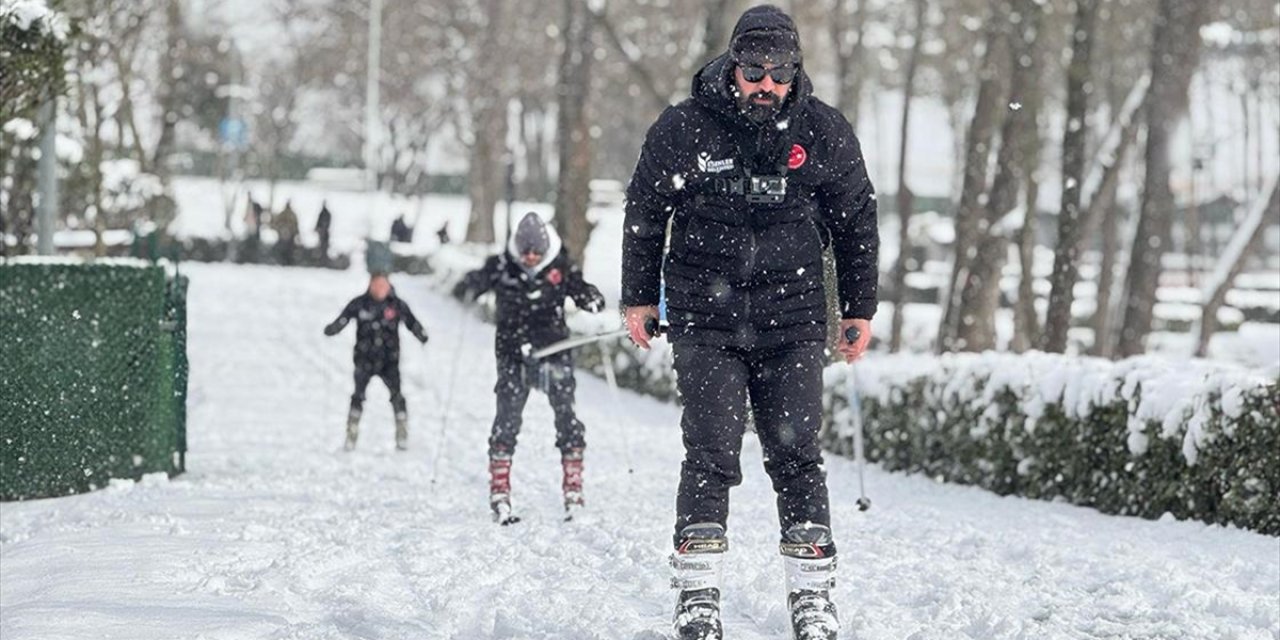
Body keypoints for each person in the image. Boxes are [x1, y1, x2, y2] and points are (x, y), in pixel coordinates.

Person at [620, 5, 878, 639]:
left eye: (779, 72)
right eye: (754, 70)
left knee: (796, 454)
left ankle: (814, 598)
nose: (766, 84)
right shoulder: (685, 128)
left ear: (794, 72)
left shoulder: (823, 133)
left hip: (791, 323)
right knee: (711, 450)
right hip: (706, 322)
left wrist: (859, 308)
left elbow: (856, 222)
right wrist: (638, 298)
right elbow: (646, 210)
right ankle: (697, 594)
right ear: (733, 66)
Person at [452, 212, 605, 523]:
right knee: (506, 419)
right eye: (526, 252)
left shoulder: (560, 267)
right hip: (512, 355)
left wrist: (591, 299)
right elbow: (471, 284)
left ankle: (573, 489)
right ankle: (499, 490)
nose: (531, 258)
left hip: (553, 351)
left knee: (567, 417)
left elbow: (582, 289)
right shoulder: (502, 266)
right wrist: (468, 287)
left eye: (536, 252)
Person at [324, 273, 429, 451]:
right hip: (364, 359)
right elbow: (344, 318)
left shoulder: (396, 305)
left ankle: (402, 434)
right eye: (376, 285)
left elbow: (411, 322)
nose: (380, 289)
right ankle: (351, 434)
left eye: (383, 285)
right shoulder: (360, 303)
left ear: (388, 286)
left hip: (390, 361)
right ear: (370, 285)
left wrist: (421, 334)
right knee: (358, 396)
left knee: (397, 396)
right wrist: (333, 328)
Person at [272, 199, 300, 265]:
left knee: (288, 249)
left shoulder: (289, 214)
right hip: (285, 235)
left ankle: (286, 261)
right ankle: (284, 260)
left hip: (288, 235)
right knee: (286, 249)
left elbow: (295, 224)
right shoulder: (289, 214)